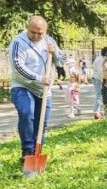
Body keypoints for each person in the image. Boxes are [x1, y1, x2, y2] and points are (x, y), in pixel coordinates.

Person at [8, 15, 66, 163]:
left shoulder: (49, 41)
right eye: (33, 32)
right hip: (23, 86)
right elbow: (17, 66)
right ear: (28, 28)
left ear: (45, 31)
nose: (36, 36)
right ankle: (27, 151)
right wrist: (39, 78)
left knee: (42, 122)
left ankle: (36, 153)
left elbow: (61, 61)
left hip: (44, 90)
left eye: (40, 33)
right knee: (27, 113)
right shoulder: (18, 42)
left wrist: (56, 53)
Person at [92, 48, 106, 119]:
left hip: (95, 77)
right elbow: (100, 71)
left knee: (99, 95)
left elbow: (93, 66)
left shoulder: (98, 58)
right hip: (98, 79)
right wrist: (103, 80)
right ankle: (96, 112)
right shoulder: (102, 60)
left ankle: (98, 111)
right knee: (99, 96)